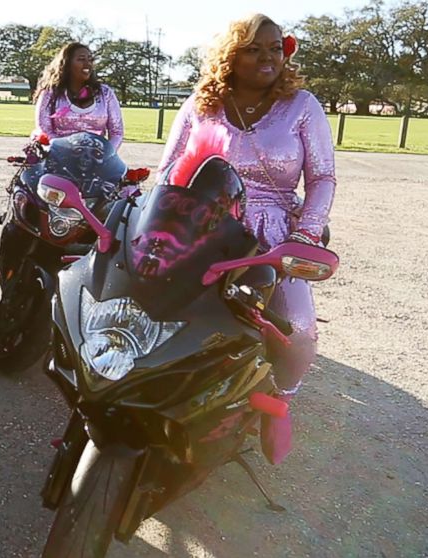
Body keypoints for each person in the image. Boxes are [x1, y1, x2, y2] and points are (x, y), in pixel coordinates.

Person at [157, 13, 336, 465]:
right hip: (205, 222)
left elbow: (322, 177)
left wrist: (307, 232)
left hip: (275, 233)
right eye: (254, 48)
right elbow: (168, 169)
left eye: (275, 48)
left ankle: (278, 403)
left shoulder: (303, 105)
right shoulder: (203, 102)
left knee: (298, 332)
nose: (268, 57)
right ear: (231, 55)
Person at [33, 42, 124, 150]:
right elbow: (44, 129)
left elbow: (117, 132)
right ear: (66, 63)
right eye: (81, 59)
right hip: (58, 156)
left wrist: (105, 154)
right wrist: (66, 150)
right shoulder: (50, 93)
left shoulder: (105, 93)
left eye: (90, 60)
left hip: (95, 159)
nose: (88, 64)